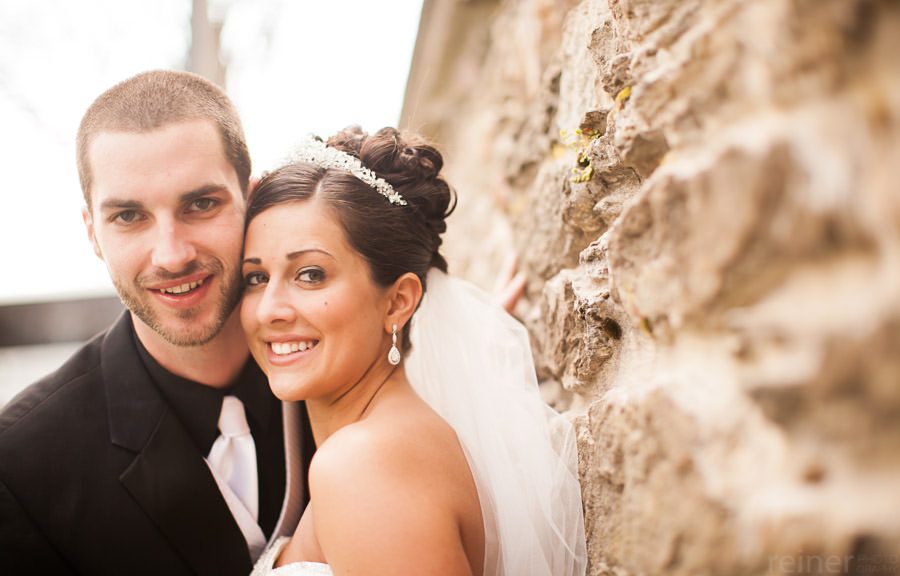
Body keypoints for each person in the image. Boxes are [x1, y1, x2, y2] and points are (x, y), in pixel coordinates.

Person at [0, 70, 312, 575]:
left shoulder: (354, 368)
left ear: (251, 200)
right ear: (93, 233)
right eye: (128, 216)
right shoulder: (20, 464)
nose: (171, 255)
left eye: (201, 204)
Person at [241, 127, 587, 575]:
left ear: (399, 301)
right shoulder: (402, 440)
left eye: (310, 275)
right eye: (255, 277)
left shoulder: (363, 466)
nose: (269, 310)